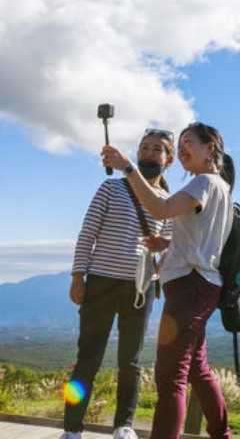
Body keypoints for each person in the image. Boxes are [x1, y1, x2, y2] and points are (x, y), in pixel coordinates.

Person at [101, 122, 235, 439]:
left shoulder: (204, 181)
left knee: (170, 376)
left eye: (190, 142)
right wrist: (168, 245)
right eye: (182, 142)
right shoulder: (220, 187)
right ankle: (222, 433)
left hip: (189, 287)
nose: (184, 147)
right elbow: (203, 240)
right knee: (197, 370)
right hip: (201, 285)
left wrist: (127, 168)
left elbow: (160, 209)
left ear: (210, 148)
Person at [61, 129, 174, 439]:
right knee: (88, 359)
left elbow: (171, 244)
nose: (150, 153)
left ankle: (123, 426)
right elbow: (88, 234)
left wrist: (162, 254)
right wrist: (77, 276)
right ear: (137, 154)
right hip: (100, 283)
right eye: (145, 148)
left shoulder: (167, 202)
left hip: (141, 289)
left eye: (157, 149)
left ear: (169, 159)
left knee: (131, 362)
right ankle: (72, 429)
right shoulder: (110, 189)